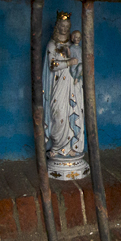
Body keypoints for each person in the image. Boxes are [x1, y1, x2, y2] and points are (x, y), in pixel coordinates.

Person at [43, 12, 89, 179]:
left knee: (73, 112)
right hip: (58, 86)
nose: (63, 29)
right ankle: (57, 147)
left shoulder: (74, 46)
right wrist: (69, 62)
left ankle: (72, 148)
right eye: (61, 26)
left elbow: (82, 62)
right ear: (57, 27)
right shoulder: (52, 46)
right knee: (59, 114)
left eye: (66, 27)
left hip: (73, 85)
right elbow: (53, 65)